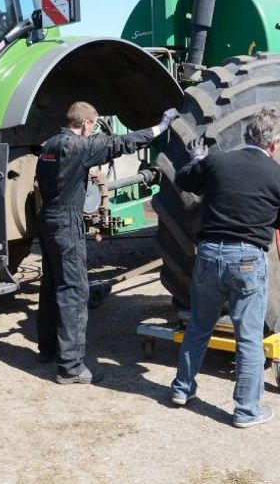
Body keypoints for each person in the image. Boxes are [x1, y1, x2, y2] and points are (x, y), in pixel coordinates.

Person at [36, 102, 178, 384]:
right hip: (66, 222)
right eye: (94, 126)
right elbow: (121, 143)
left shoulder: (48, 145)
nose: (94, 132)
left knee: (51, 283)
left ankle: (48, 348)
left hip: (47, 220)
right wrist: (160, 127)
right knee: (74, 291)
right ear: (86, 124)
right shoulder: (79, 146)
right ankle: (71, 367)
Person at [170, 109, 280, 428]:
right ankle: (246, 411)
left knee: (198, 326)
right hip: (248, 260)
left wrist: (198, 160)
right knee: (249, 337)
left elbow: (184, 180)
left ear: (246, 136)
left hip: (209, 253)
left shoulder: (218, 161)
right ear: (275, 145)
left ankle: (182, 390)